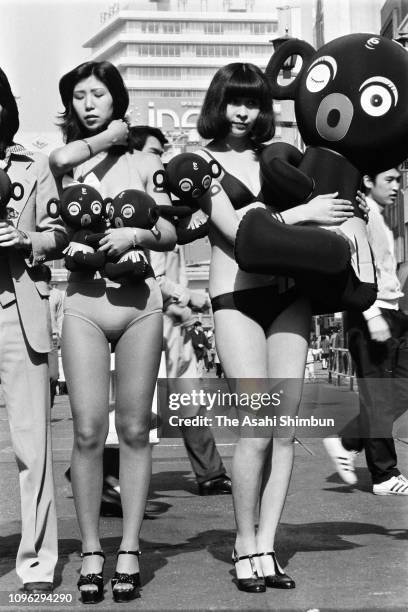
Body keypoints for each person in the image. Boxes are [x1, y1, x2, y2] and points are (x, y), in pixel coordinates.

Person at [195, 62, 361, 593]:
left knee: (285, 432)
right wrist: (306, 212)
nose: (243, 111)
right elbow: (239, 232)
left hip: (288, 298)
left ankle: (267, 545)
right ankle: (243, 543)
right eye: (233, 100)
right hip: (236, 300)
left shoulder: (280, 158)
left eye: (254, 102)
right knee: (256, 428)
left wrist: (337, 205)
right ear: (216, 104)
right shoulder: (198, 163)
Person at [49, 61, 176, 603]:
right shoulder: (68, 165)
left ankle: (128, 547)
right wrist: (106, 137)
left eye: (98, 93)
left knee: (132, 428)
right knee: (84, 430)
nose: (88, 103)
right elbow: (59, 157)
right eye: (79, 96)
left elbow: (170, 229)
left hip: (139, 306)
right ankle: (91, 550)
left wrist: (135, 233)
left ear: (116, 98)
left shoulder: (148, 162)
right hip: (82, 304)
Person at [95, 125, 231, 514]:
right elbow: (145, 269)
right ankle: (107, 476)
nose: (162, 160)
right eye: (155, 151)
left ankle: (209, 473)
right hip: (151, 310)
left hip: (175, 317)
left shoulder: (166, 209)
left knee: (189, 396)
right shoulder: (133, 213)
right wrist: (186, 296)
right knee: (143, 404)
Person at [0, 67, 68, 593]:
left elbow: (60, 229)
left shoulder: (35, 164)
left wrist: (26, 242)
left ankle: (40, 564)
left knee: (33, 448)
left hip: (18, 309)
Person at [324, 167, 408, 496]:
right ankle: (384, 475)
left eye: (400, 180)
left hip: (393, 310)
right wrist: (371, 315)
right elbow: (354, 268)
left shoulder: (377, 217)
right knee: (378, 395)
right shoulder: (359, 216)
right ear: (368, 182)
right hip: (371, 313)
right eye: (390, 180)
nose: (397, 186)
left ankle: (349, 439)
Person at [44, 265, 64, 406]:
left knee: (53, 376)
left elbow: (61, 316)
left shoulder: (57, 294)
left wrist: (61, 335)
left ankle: (49, 403)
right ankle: (40, 409)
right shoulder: (31, 294)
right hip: (33, 338)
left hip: (52, 339)